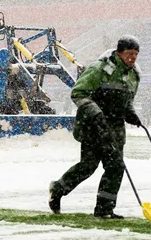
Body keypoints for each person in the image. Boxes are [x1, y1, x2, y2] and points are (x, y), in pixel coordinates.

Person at [48, 35, 142, 219]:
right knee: (88, 166)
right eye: (129, 54)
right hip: (93, 126)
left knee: (115, 167)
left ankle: (104, 209)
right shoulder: (100, 69)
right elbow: (78, 92)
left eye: (136, 54)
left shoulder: (134, 74)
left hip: (115, 129)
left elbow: (128, 100)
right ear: (120, 53)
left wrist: (131, 113)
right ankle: (58, 189)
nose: (133, 58)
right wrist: (96, 112)